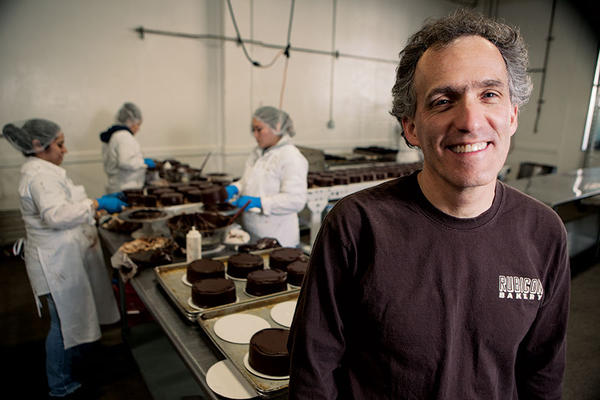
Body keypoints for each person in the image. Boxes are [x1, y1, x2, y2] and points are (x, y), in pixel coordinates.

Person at [288, 9, 570, 399]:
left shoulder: (543, 232)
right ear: (411, 127)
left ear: (512, 113)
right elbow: (313, 371)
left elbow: (543, 372)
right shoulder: (356, 226)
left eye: (489, 94)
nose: (470, 120)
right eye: (443, 100)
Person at [2, 119, 124, 398]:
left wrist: (93, 207)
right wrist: (96, 204)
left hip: (62, 258)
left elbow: (64, 204)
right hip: (54, 262)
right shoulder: (40, 176)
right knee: (63, 326)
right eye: (59, 143)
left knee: (72, 320)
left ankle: (74, 366)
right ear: (38, 145)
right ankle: (59, 386)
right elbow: (55, 215)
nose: (64, 149)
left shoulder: (46, 170)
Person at [225, 106, 308, 247]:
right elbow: (250, 180)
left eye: (259, 129)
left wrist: (260, 202)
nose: (255, 135)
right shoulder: (258, 153)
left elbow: (296, 200)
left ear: (277, 127)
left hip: (278, 237)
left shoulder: (291, 157)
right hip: (252, 232)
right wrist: (236, 187)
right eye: (253, 130)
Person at [100, 102, 155, 193]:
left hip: (117, 184)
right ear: (130, 122)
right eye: (138, 124)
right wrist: (143, 162)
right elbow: (125, 162)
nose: (138, 128)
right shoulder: (124, 136)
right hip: (125, 186)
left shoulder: (113, 135)